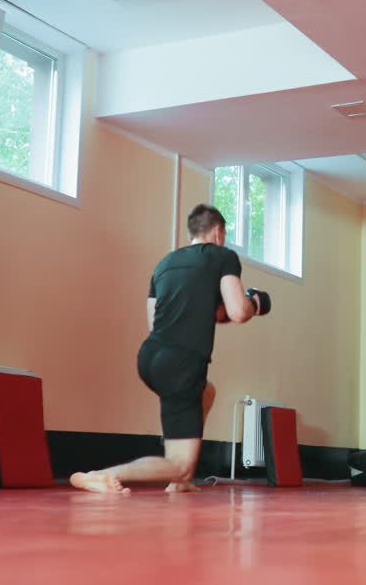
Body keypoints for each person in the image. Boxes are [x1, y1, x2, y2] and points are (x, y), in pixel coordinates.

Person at [71, 204, 268, 494]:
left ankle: (178, 484)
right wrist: (255, 303)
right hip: (182, 363)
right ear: (218, 232)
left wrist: (211, 312)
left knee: (207, 392)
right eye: (223, 234)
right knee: (180, 464)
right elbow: (239, 311)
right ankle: (98, 475)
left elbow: (156, 321)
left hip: (150, 358)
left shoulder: (163, 264)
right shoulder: (223, 256)